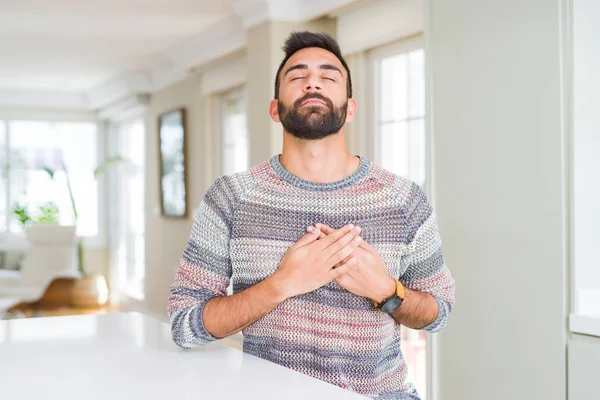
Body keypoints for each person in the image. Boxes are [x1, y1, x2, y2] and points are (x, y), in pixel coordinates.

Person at [168, 31, 455, 400]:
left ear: (350, 108)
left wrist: (386, 291)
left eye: (329, 76)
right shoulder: (231, 197)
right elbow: (183, 325)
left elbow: (440, 311)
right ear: (275, 109)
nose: (313, 82)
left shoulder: (403, 199)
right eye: (297, 76)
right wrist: (283, 283)